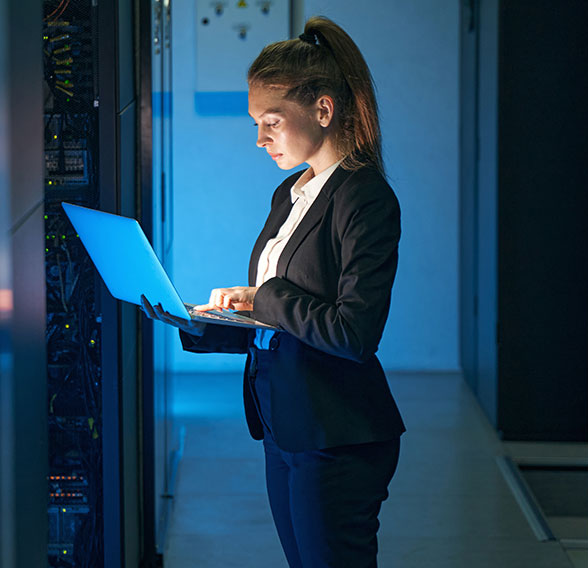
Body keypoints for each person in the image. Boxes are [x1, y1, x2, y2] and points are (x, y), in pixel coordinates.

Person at [140, 16, 404, 567]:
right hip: (285, 419)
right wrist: (200, 321)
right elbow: (283, 321)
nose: (260, 139)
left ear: (324, 110)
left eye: (272, 122)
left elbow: (354, 332)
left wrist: (263, 296)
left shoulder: (365, 199)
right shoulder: (293, 190)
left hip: (336, 433)